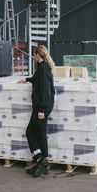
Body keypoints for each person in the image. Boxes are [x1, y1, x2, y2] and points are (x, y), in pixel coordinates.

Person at [18, 45, 55, 177]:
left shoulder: (43, 68)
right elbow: (37, 80)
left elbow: (45, 92)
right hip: (39, 107)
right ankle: (41, 162)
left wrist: (42, 110)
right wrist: (26, 79)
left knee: (36, 134)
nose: (33, 57)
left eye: (34, 55)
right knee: (35, 133)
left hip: (41, 108)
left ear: (37, 55)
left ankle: (41, 160)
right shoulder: (41, 67)